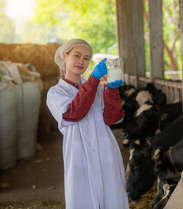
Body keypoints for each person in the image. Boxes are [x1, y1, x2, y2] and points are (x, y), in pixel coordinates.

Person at [46, 38, 129, 209]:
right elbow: (74, 113)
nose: (81, 62)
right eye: (76, 56)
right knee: (83, 201)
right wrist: (94, 79)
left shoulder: (97, 89)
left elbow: (111, 119)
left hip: (105, 151)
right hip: (79, 155)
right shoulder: (56, 93)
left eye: (86, 58)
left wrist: (112, 91)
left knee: (111, 200)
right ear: (65, 56)